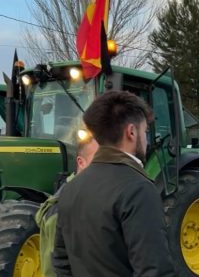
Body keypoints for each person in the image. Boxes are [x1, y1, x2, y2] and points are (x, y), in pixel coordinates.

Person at [52, 91, 175, 276]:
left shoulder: (70, 189)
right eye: (145, 132)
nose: (146, 140)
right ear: (131, 132)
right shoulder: (138, 189)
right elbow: (154, 270)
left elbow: (62, 263)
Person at [35, 136, 98, 277]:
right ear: (81, 162)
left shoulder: (95, 195)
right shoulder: (61, 209)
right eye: (99, 161)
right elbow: (55, 267)